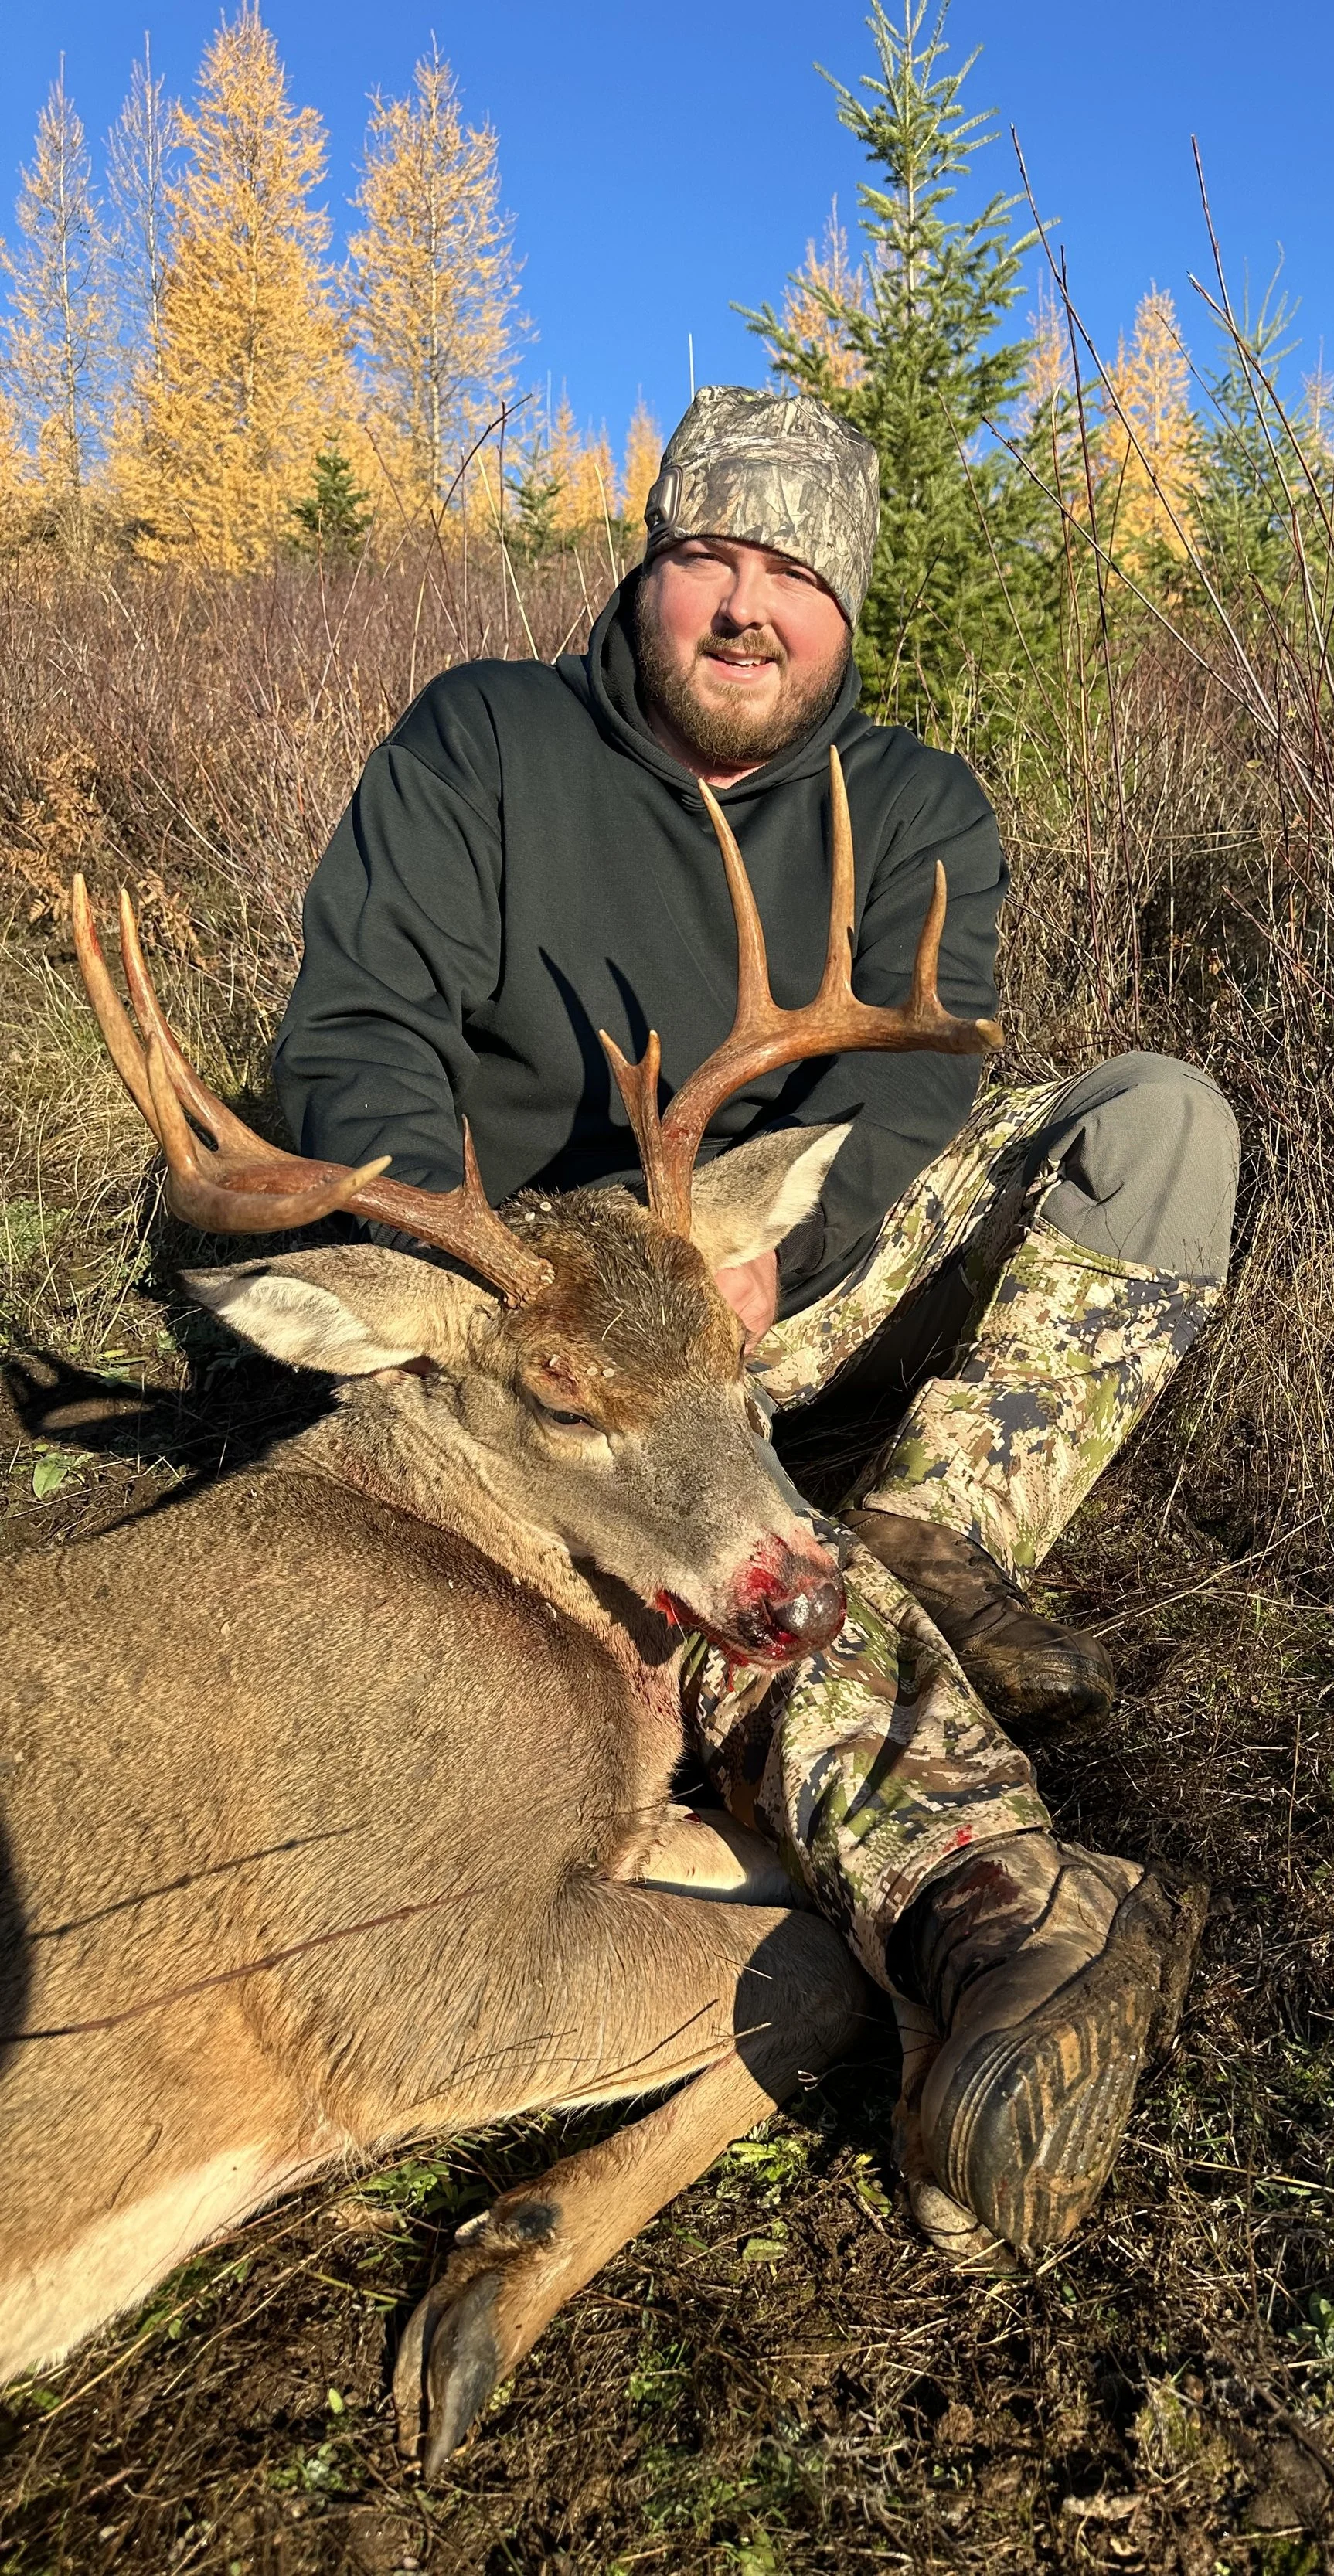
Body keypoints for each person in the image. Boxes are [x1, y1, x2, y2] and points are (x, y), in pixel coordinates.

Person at [274, 386, 1240, 2263]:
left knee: (1160, 1119)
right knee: (657, 1499)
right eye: (711, 554)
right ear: (647, 573)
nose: (747, 602)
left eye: (795, 570)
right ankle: (975, 1898)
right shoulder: (487, 738)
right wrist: (500, 1266)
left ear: (846, 613)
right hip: (541, 1292)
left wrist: (766, 1258)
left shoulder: (915, 807)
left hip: (768, 1247)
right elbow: (358, 1026)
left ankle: (938, 1516)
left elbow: (904, 1090)